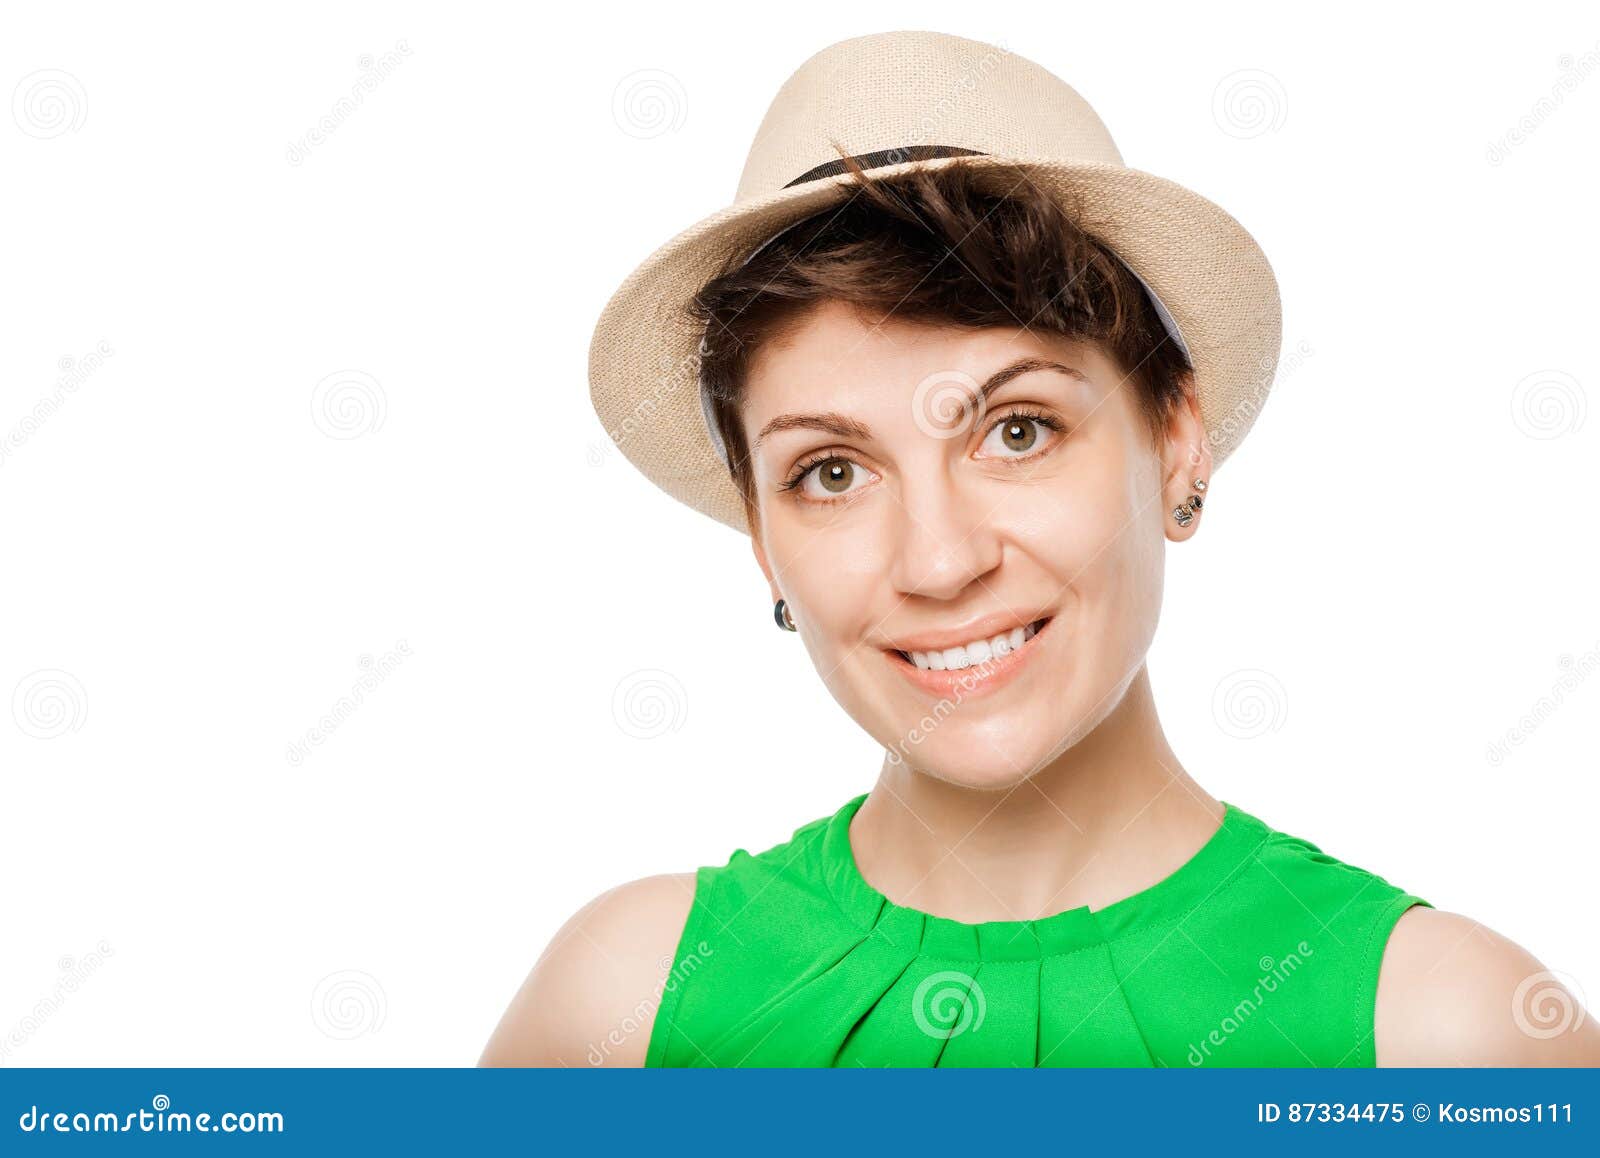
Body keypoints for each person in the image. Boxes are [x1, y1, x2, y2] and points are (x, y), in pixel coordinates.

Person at [482, 31, 1599, 1067]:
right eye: (830, 472)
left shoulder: (1444, 1034)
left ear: (1173, 443)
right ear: (763, 544)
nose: (938, 559)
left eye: (1017, 432)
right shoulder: (621, 1011)